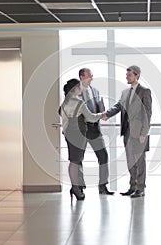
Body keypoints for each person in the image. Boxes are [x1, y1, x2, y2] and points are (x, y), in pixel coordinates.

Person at [104, 65, 152, 198]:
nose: (127, 77)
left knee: (140, 161)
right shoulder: (125, 92)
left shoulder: (144, 92)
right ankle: (132, 186)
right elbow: (118, 106)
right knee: (130, 161)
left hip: (139, 133)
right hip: (127, 132)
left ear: (137, 76)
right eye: (127, 75)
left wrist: (144, 133)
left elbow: (147, 114)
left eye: (130, 75)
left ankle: (140, 188)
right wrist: (106, 114)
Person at [59, 78, 104, 201]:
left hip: (69, 134)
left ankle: (75, 187)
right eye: (79, 87)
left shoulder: (64, 104)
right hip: (79, 134)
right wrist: (102, 115)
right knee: (76, 161)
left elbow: (64, 121)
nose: (81, 89)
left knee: (73, 160)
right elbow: (91, 118)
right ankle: (75, 188)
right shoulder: (80, 103)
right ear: (75, 90)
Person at [78, 68, 114, 195]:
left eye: (92, 75)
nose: (92, 78)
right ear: (82, 77)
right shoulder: (74, 92)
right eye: (89, 76)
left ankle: (103, 186)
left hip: (95, 130)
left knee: (103, 156)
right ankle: (79, 187)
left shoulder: (96, 91)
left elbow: (101, 108)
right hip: (81, 131)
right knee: (78, 159)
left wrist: (105, 114)